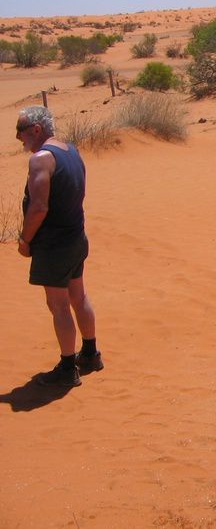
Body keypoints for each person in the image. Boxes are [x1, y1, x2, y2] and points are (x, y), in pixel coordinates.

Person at [16, 106, 103, 388]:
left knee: (59, 306)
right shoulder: (71, 150)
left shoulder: (42, 159)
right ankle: (90, 354)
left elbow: (39, 207)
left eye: (21, 130)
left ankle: (67, 369)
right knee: (79, 296)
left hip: (55, 244)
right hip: (76, 238)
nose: (18, 137)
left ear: (37, 130)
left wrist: (26, 239)